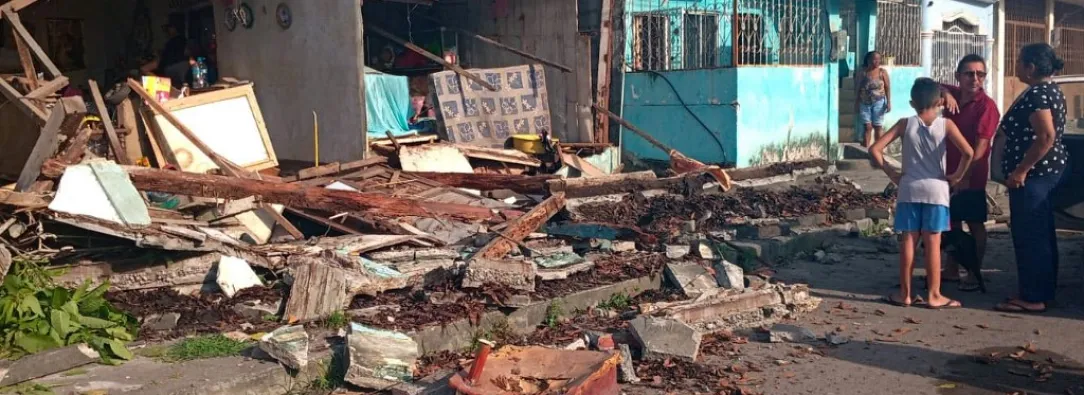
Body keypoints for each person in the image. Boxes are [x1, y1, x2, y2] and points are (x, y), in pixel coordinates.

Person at [871, 77, 974, 309]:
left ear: (912, 103)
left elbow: (875, 149)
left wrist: (891, 172)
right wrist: (957, 175)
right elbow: (968, 152)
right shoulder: (946, 125)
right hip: (936, 190)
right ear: (940, 102)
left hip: (909, 188)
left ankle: (905, 294)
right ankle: (934, 295)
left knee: (908, 241)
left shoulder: (904, 124)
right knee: (933, 243)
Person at [993, 43, 1069, 313]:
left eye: (1019, 61)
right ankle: (1041, 291)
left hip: (1034, 177)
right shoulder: (1050, 91)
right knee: (1040, 234)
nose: (1015, 66)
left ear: (1030, 67)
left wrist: (1021, 170)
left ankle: (1034, 297)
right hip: (1043, 174)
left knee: (1031, 236)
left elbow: (1046, 136)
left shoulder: (1038, 95)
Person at [937, 54, 1001, 291]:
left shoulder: (987, 106)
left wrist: (964, 176)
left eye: (980, 74)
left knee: (974, 224)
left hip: (971, 175)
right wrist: (944, 92)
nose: (975, 79)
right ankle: (951, 270)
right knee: (952, 222)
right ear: (958, 76)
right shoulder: (953, 94)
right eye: (969, 74)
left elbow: (981, 146)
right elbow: (926, 83)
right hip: (948, 172)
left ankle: (974, 272)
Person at [857, 51, 892, 147]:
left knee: (878, 126)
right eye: (874, 59)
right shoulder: (863, 72)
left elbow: (887, 87)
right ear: (868, 60)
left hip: (879, 102)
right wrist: (857, 102)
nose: (877, 61)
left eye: (878, 59)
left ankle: (878, 148)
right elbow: (858, 88)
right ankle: (865, 149)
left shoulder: (882, 72)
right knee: (867, 127)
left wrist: (889, 102)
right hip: (864, 102)